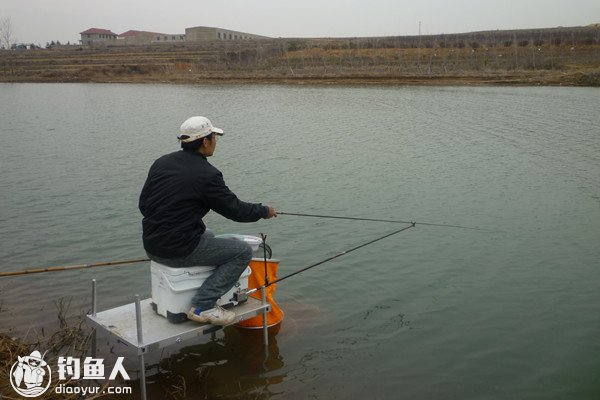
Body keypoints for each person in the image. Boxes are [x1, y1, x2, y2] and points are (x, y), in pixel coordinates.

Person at [139, 116, 277, 325]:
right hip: (176, 249)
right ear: (205, 141)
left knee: (209, 234)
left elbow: (144, 205)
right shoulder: (207, 175)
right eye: (214, 137)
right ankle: (203, 305)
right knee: (242, 252)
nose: (216, 142)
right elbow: (235, 210)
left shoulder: (162, 163)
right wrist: (263, 210)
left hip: (151, 244)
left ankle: (201, 290)